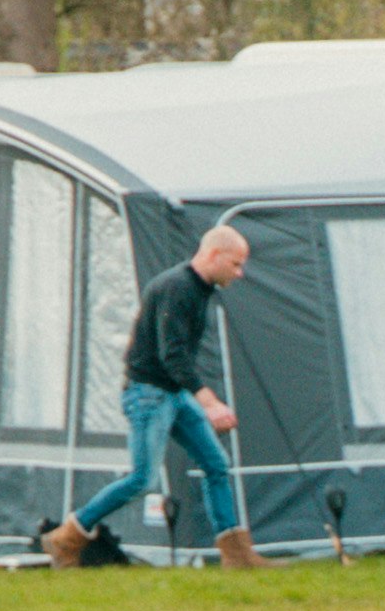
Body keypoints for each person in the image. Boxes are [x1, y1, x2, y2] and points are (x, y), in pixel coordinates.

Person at [50, 225, 257, 568]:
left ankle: (237, 556)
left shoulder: (199, 289)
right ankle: (66, 537)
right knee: (142, 479)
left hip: (173, 394)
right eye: (235, 264)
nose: (240, 273)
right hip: (148, 394)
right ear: (214, 255)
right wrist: (210, 402)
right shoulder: (176, 288)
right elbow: (171, 356)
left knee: (217, 465)